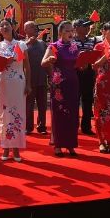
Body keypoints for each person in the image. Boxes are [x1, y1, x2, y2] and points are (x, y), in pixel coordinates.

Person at [0, 19, 31, 161]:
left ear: (12, 27)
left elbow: (27, 65)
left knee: (18, 113)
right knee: (3, 114)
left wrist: (28, 84)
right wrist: (4, 62)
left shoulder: (21, 44)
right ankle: (5, 148)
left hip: (19, 82)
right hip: (3, 83)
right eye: (1, 25)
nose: (4, 27)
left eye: (7, 25)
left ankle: (16, 150)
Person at [42, 20, 79, 156]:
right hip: (58, 84)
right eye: (67, 30)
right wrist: (49, 60)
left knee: (72, 114)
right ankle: (58, 145)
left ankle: (70, 144)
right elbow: (43, 63)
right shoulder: (53, 46)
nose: (70, 33)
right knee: (59, 114)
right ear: (60, 32)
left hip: (73, 82)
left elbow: (78, 63)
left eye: (71, 31)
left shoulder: (74, 47)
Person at [92, 22, 110, 153]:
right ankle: (101, 141)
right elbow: (94, 66)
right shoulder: (98, 46)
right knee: (101, 112)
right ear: (103, 32)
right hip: (102, 82)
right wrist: (105, 56)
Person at [23, 21, 49, 134]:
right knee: (28, 105)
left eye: (35, 26)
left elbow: (48, 60)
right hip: (29, 80)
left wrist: (50, 75)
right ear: (25, 30)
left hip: (42, 79)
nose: (35, 28)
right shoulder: (21, 44)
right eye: (31, 27)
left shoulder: (42, 43)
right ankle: (28, 127)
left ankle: (42, 127)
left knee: (42, 105)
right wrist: (28, 43)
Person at [72, 18, 97, 135]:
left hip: (88, 74)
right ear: (76, 28)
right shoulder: (71, 42)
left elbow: (95, 56)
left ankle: (86, 127)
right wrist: (78, 65)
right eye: (84, 25)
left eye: (87, 26)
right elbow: (70, 57)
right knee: (74, 100)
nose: (87, 27)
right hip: (75, 74)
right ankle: (73, 125)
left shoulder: (92, 41)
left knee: (87, 101)